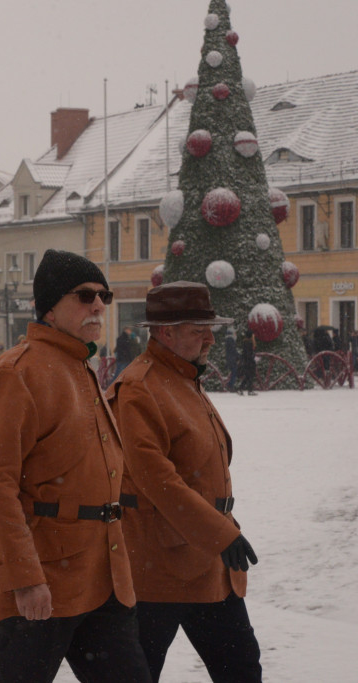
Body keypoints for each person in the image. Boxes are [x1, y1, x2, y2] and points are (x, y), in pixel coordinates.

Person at [0, 249, 148, 683]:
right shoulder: (17, 373)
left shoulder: (78, 365)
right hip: (43, 583)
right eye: (85, 295)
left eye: (103, 296)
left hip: (101, 578)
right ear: (49, 307)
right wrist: (25, 579)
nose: (98, 306)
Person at [107, 281, 261, 682]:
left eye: (209, 328)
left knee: (242, 668)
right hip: (159, 568)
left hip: (208, 564)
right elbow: (156, 479)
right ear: (164, 332)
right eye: (198, 330)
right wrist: (220, 533)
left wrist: (216, 536)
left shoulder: (183, 378)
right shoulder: (140, 387)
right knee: (138, 674)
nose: (210, 338)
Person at [237, 329, 257, 396]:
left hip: (246, 362)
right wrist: (253, 357)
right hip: (249, 362)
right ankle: (249, 390)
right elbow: (249, 354)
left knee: (247, 377)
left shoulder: (246, 342)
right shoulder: (249, 343)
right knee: (250, 376)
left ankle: (242, 389)